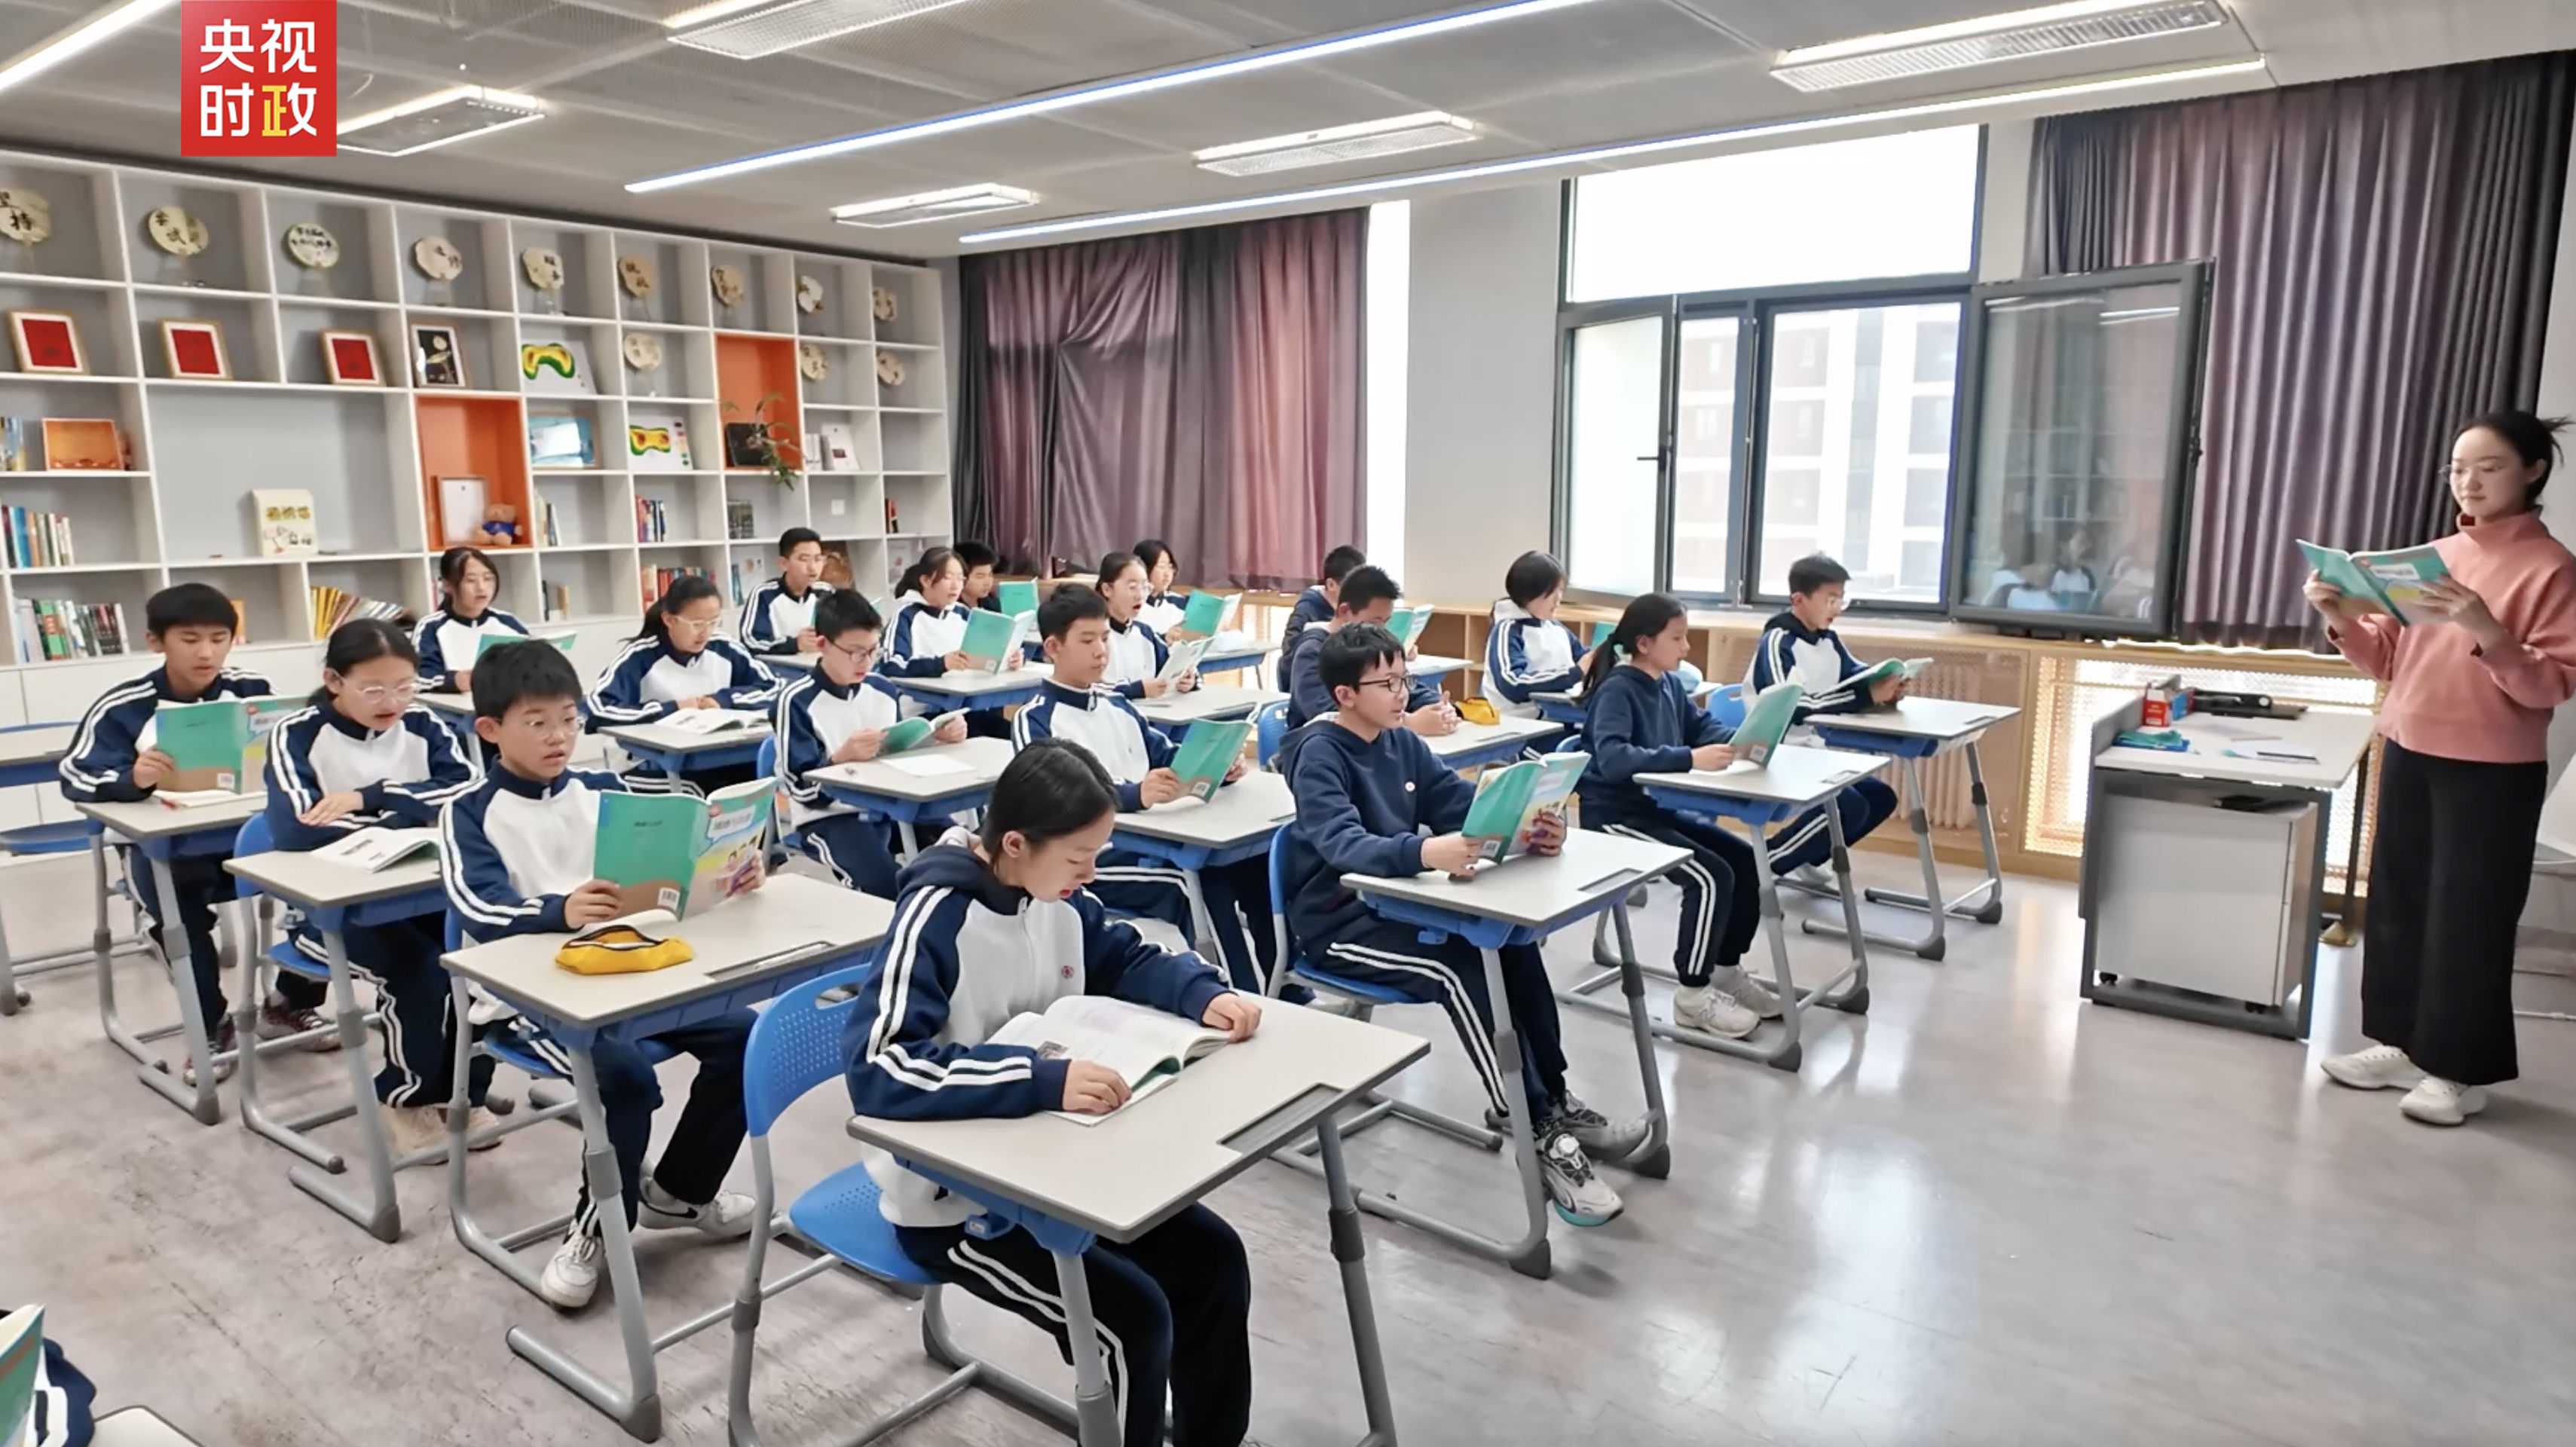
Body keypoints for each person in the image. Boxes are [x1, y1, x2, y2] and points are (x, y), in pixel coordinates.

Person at [841, 739, 1262, 1447]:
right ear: (1015, 843)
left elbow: (1122, 954)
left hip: (1066, 1170)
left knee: (1215, 1261)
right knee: (1132, 1323)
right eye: (1079, 858)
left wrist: (1199, 994)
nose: (1090, 874)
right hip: (958, 1205)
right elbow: (879, 1068)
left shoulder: (1055, 895)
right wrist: (1037, 1079)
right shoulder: (937, 916)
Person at [1280, 624, 1645, 1225]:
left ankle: (1554, 1097)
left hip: (1399, 904)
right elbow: (1343, 845)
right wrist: (1426, 852)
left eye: (1404, 679)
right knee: (1460, 969)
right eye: (1387, 684)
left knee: (1512, 944)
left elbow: (1457, 803)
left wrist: (1528, 828)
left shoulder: (1400, 741)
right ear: (1345, 695)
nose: (1403, 694)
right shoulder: (1319, 753)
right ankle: (1535, 1127)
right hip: (1339, 925)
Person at [442, 642, 760, 1309]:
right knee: (624, 1080)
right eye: (537, 723)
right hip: (528, 995)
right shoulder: (469, 812)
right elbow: (476, 906)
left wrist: (728, 873)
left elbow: (670, 874)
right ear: (490, 729)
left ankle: (680, 1193)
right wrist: (557, 910)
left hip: (629, 969)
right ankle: (594, 1228)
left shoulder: (602, 793)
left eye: (569, 719)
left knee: (746, 1038)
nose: (559, 737)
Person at [2308, 411, 2576, 1127]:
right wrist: (2342, 620)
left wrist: (2487, 629)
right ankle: (2403, 1045)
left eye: (2489, 468)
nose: (2469, 482)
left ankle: (2460, 1071)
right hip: (2410, 746)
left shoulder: (2552, 567)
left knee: (2470, 917)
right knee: (2399, 906)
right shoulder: (2432, 557)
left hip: (2492, 769)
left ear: (2533, 472)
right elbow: (2391, 662)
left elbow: (2552, 685)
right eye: (2458, 469)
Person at [57, 582, 322, 1085]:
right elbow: (75, 775)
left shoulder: (251, 690)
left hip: (249, 836)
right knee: (176, 917)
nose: (206, 653)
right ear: (155, 641)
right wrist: (131, 778)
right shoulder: (123, 706)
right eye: (190, 639)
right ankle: (210, 1024)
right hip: (168, 850)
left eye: (219, 639)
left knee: (323, 889)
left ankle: (289, 1002)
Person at [265, 619, 500, 1154]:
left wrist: (372, 797)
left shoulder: (424, 723)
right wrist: (410, 815)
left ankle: (464, 1091)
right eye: (373, 690)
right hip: (332, 912)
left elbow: (467, 792)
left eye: (403, 686)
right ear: (334, 680)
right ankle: (408, 1098)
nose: (392, 702)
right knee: (418, 971)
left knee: (480, 958)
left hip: (421, 890)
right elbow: (298, 827)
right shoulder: (297, 734)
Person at [1016, 585, 1278, 996]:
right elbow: (1050, 801)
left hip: (1156, 840)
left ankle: (1286, 988)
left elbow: (1169, 755)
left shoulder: (1117, 704)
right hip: (1091, 858)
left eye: (1105, 638)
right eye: (1087, 640)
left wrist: (1217, 766)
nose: (1101, 651)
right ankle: (1240, 997)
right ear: (1053, 647)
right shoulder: (1035, 718)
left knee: (1252, 865)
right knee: (1192, 885)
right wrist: (1135, 795)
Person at [1577, 593, 1782, 1040]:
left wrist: (1742, 740)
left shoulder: (1668, 685)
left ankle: (1725, 971)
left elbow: (1700, 727)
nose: (1687, 647)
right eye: (1678, 638)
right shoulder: (1618, 689)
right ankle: (1692, 993)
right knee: (1709, 877)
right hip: (1614, 817)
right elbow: (1613, 759)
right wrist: (1688, 758)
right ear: (1645, 643)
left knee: (1744, 862)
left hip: (1654, 810)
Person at [775, 591, 965, 898]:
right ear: (823, 645)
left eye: (873, 651)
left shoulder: (883, 689)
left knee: (965, 852)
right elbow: (800, 790)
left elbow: (899, 756)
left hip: (893, 805)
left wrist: (938, 738)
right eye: (855, 652)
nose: (866, 662)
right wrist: (838, 761)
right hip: (831, 817)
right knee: (884, 888)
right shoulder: (796, 701)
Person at [1742, 553, 1901, 873]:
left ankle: (1804, 856)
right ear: (1798, 600)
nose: (1837, 609)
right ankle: (1758, 868)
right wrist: (1865, 695)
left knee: (1880, 798)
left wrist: (1887, 686)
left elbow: (1856, 677)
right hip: (1773, 751)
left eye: (1841, 599)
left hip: (1811, 751)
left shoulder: (1828, 640)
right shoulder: (1777, 641)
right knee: (1848, 806)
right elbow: (1792, 707)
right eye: (1830, 599)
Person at [1282, 565, 1453, 733]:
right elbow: (1327, 714)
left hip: (1373, 742)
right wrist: (1407, 723)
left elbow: (1404, 687)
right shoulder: (1311, 651)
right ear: (1345, 611)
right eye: (1374, 622)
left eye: (1386, 622)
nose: (1381, 631)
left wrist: (1440, 707)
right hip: (1318, 743)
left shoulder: (1372, 648)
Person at [1483, 550, 1588, 718]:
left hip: (1556, 717)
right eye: (1551, 592)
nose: (1558, 599)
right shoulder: (1508, 630)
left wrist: (1602, 659)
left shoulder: (1555, 627)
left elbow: (1583, 657)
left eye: (1561, 590)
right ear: (1529, 593)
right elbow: (1513, 685)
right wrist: (1574, 674)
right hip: (1521, 723)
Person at [415, 546, 529, 693]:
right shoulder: (431, 627)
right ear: (447, 585)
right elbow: (419, 680)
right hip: (453, 705)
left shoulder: (509, 623)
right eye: (470, 580)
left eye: (488, 579)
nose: (481, 587)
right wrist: (454, 681)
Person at [1095, 551, 1196, 700]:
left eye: (1145, 587)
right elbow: (1087, 690)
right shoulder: (1092, 636)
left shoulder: (1145, 632)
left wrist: (1188, 679)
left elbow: (1171, 668)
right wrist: (1137, 690)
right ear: (1107, 590)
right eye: (1132, 587)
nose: (1140, 595)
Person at [1276, 544, 1366, 690]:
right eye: (1353, 586)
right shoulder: (1307, 608)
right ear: (1331, 584)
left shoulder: (1357, 609)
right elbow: (1289, 652)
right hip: (1311, 685)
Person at [736, 528, 835, 656]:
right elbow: (751, 641)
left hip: (817, 663)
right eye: (804, 559)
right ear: (784, 563)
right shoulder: (764, 594)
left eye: (818, 559)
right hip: (777, 666)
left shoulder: (825, 592)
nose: (812, 567)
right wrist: (795, 644)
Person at [883, 546, 977, 679]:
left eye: (961, 578)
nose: (956, 586)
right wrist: (940, 664)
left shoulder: (963, 613)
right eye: (947, 578)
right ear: (926, 581)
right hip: (919, 691)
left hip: (964, 686)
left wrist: (1005, 659)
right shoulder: (906, 615)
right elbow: (892, 666)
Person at [1134, 538, 1188, 635]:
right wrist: (1165, 639)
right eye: (1161, 566)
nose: (1167, 573)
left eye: (1170, 567)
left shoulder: (1178, 602)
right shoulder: (1131, 606)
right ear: (1143, 568)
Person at [956, 540, 1002, 612]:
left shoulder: (991, 602)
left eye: (990, 575)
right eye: (980, 577)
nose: (987, 583)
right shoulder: (952, 608)